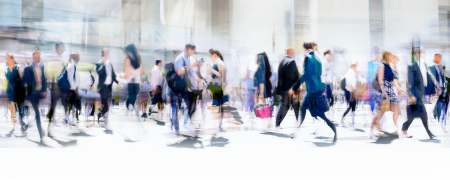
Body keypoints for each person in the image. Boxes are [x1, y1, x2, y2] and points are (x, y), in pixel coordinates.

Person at [296, 42, 337, 142]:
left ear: (305, 48)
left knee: (317, 113)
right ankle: (297, 131)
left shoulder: (309, 57)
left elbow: (306, 74)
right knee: (304, 109)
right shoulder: (318, 57)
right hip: (317, 89)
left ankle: (334, 130)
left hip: (312, 90)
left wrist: (295, 86)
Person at [402, 49, 435, 139]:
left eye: (421, 52)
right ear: (415, 54)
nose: (421, 54)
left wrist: (432, 91)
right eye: (419, 52)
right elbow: (409, 81)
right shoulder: (411, 66)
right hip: (415, 93)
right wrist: (410, 94)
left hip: (421, 93)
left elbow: (427, 78)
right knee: (422, 114)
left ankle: (404, 129)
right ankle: (429, 132)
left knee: (414, 115)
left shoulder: (423, 65)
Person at [369, 51, 403, 138]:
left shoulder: (390, 66)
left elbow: (393, 80)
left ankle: (396, 129)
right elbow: (380, 79)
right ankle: (375, 129)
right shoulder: (381, 65)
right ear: (387, 55)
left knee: (395, 108)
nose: (392, 57)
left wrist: (398, 88)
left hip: (391, 89)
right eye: (391, 56)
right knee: (381, 110)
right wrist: (383, 91)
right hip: (384, 89)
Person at [23, 49, 47, 143]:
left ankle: (26, 125)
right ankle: (41, 133)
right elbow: (24, 81)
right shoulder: (28, 69)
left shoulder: (42, 66)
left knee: (37, 112)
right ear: (33, 57)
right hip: (31, 94)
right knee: (37, 112)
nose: (38, 58)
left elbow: (44, 79)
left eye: (39, 56)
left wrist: (44, 90)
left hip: (39, 93)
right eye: (37, 56)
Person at [275, 48, 301, 129]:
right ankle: (278, 123)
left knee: (292, 105)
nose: (295, 54)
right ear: (291, 53)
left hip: (283, 89)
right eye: (294, 52)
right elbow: (296, 76)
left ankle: (278, 123)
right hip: (291, 89)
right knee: (288, 106)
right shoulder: (292, 61)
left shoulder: (281, 61)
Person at [174, 44, 199, 130]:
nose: (191, 54)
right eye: (190, 51)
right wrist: (191, 66)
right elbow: (179, 72)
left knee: (191, 105)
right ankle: (178, 124)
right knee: (185, 106)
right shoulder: (180, 58)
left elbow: (189, 73)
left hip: (187, 86)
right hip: (180, 86)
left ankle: (186, 123)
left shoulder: (187, 58)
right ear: (185, 49)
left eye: (193, 52)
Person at [44, 42, 66, 136]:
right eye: (62, 48)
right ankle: (49, 127)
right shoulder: (52, 58)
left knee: (57, 105)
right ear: (58, 48)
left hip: (59, 86)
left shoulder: (60, 59)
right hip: (54, 85)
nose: (63, 50)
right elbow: (47, 71)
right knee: (53, 106)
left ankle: (62, 119)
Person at [95, 48, 120, 129]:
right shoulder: (99, 63)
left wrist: (117, 82)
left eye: (107, 53)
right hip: (103, 87)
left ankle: (101, 115)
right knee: (106, 105)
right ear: (102, 54)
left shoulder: (109, 63)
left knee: (107, 105)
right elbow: (99, 72)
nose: (106, 55)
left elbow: (112, 75)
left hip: (109, 87)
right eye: (105, 53)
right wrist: (104, 64)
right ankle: (106, 122)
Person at [119, 44, 144, 119]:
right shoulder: (139, 59)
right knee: (133, 96)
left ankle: (130, 107)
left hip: (130, 83)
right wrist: (135, 73)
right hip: (137, 83)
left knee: (131, 97)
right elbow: (141, 73)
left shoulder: (127, 60)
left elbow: (126, 74)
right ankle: (130, 107)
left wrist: (122, 76)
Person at [206, 48, 228, 131]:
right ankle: (219, 123)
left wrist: (211, 70)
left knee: (218, 106)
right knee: (218, 106)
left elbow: (221, 75)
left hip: (219, 87)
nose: (211, 57)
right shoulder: (217, 62)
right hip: (217, 87)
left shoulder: (219, 62)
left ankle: (219, 123)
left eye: (211, 56)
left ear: (214, 54)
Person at [5, 53, 23, 137]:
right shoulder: (6, 69)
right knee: (11, 109)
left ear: (12, 59)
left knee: (18, 108)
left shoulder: (17, 67)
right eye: (7, 59)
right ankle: (14, 126)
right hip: (10, 91)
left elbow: (21, 79)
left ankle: (21, 125)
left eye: (8, 58)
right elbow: (7, 81)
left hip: (17, 91)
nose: (7, 60)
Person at [254, 52, 272, 131]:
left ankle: (265, 125)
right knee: (265, 106)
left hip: (263, 89)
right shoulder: (265, 67)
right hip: (266, 88)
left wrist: (261, 93)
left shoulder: (261, 68)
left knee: (263, 106)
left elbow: (261, 81)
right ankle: (267, 123)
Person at [61, 52, 80, 126]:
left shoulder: (73, 64)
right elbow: (70, 78)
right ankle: (67, 119)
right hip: (71, 89)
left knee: (72, 104)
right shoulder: (72, 65)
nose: (79, 58)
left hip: (72, 89)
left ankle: (69, 119)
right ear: (75, 57)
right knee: (72, 104)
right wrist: (75, 88)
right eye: (78, 56)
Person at [429, 54, 445, 122]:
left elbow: (443, 77)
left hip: (442, 87)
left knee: (440, 102)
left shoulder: (441, 67)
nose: (439, 58)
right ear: (435, 57)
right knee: (435, 102)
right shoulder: (431, 67)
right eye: (437, 57)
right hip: (435, 87)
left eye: (440, 57)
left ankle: (438, 116)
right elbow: (430, 78)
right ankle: (435, 116)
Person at [322, 49, 334, 116]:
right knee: (328, 98)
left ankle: (327, 111)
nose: (331, 55)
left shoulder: (326, 61)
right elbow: (327, 69)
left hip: (328, 82)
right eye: (330, 54)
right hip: (326, 82)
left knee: (329, 98)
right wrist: (331, 62)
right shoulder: (325, 61)